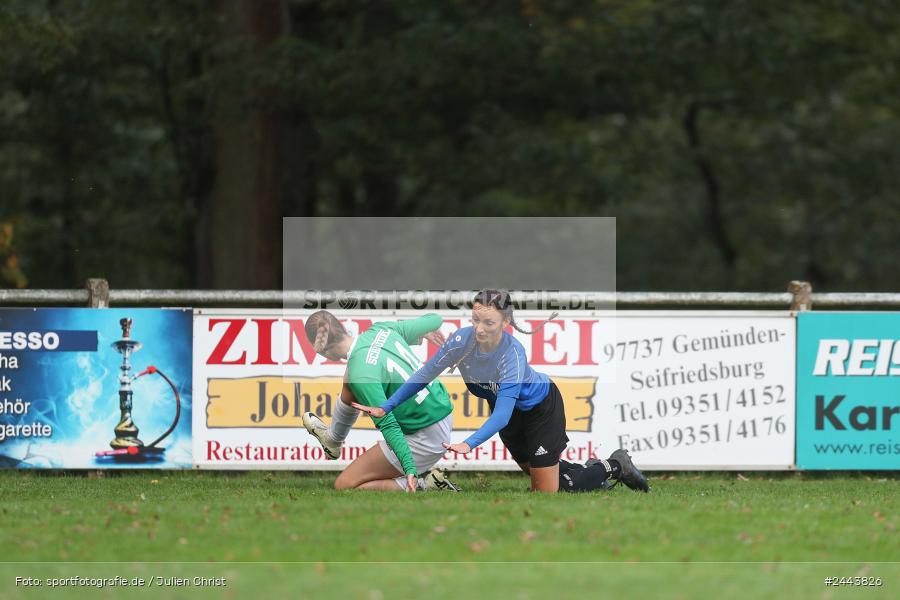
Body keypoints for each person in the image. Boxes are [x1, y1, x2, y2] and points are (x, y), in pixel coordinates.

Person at [355, 289, 650, 493]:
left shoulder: (513, 355)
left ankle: (613, 466)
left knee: (548, 490)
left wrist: (468, 444)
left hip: (540, 411)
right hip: (513, 422)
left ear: (505, 322)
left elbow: (503, 413)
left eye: (489, 322)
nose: (480, 329)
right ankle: (585, 470)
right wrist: (387, 406)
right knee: (544, 474)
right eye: (475, 320)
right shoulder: (462, 341)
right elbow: (424, 374)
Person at [301, 310, 460, 492]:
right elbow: (435, 319)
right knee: (349, 379)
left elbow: (389, 425)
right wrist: (422, 330)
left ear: (320, 349)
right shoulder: (381, 329)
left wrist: (410, 469)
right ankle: (333, 440)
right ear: (343, 327)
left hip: (426, 437)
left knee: (344, 485)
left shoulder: (361, 374)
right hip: (441, 411)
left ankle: (426, 484)